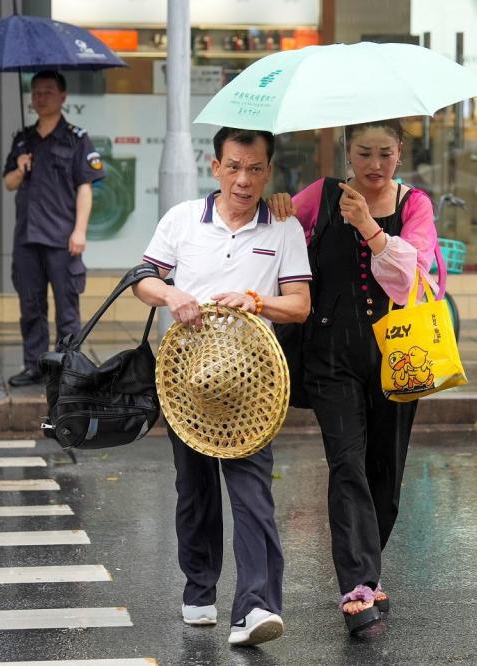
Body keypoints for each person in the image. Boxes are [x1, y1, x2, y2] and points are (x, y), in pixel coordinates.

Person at [132, 127, 311, 647]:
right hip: (188, 379)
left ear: (269, 172)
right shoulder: (183, 219)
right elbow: (142, 279)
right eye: (233, 166)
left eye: (255, 169)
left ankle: (256, 608)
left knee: (252, 492)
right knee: (195, 490)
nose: (243, 179)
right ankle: (199, 589)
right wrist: (171, 294)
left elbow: (299, 306)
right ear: (215, 167)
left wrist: (258, 300)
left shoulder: (283, 226)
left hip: (253, 382)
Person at [267, 118, 438, 634]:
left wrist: (369, 226)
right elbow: (270, 238)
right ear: (347, 152)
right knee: (346, 464)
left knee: (385, 475)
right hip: (331, 355)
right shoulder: (320, 196)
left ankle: (368, 570)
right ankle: (358, 586)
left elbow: (411, 277)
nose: (375, 165)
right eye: (364, 153)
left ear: (401, 153)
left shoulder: (416, 206)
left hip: (397, 355)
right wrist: (276, 210)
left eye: (385, 153)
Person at [2, 70, 103, 386]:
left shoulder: (75, 138)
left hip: (62, 238)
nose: (40, 97)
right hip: (27, 238)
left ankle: (66, 369)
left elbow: (85, 187)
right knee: (30, 307)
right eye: (35, 92)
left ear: (62, 97)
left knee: (67, 310)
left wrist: (80, 231)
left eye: (47, 91)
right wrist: (20, 168)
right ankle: (34, 365)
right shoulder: (23, 139)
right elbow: (8, 183)